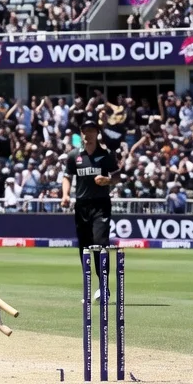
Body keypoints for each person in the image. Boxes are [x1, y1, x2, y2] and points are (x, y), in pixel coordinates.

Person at [60, 113, 119, 300]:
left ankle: (104, 287)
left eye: (92, 131)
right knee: (84, 247)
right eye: (85, 131)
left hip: (101, 205)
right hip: (82, 205)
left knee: (100, 244)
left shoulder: (106, 155)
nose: (88, 134)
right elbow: (67, 177)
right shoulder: (73, 156)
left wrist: (107, 180)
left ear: (97, 133)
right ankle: (87, 288)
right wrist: (65, 194)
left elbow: (117, 177)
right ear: (81, 133)